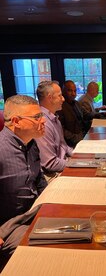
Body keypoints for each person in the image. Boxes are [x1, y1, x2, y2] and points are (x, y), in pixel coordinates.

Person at [0, 95, 47, 268]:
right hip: (9, 226)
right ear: (16, 121)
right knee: (50, 252)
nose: (44, 120)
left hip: (33, 213)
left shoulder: (31, 144)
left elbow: (39, 180)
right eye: (37, 117)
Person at [36, 81, 73, 182]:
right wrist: (76, 162)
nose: (63, 99)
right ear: (50, 98)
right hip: (52, 175)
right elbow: (50, 164)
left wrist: (78, 155)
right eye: (60, 95)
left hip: (62, 164)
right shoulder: (43, 122)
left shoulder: (53, 117)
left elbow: (64, 146)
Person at [58, 80, 91, 147]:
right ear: (63, 91)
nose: (73, 94)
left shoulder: (76, 103)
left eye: (75, 91)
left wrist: (101, 115)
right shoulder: (60, 107)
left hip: (83, 135)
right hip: (71, 143)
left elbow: (85, 115)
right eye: (70, 91)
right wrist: (78, 139)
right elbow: (61, 130)